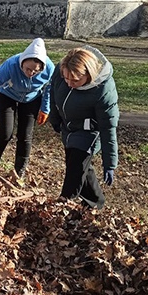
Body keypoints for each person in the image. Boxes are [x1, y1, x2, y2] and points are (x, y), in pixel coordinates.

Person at [48, 46, 119, 209]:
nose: (70, 84)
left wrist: (109, 164)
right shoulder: (61, 70)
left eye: (75, 80)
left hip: (90, 132)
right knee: (80, 167)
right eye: (66, 79)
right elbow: (53, 93)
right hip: (69, 128)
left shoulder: (103, 91)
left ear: (89, 74)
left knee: (75, 167)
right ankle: (96, 200)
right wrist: (55, 118)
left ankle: (63, 205)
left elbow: (108, 128)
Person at [0, 38, 55, 180]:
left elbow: (50, 88)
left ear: (42, 68)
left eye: (35, 71)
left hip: (31, 99)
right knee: (6, 133)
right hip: (7, 95)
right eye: (27, 69)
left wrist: (45, 108)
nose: (30, 73)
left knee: (25, 136)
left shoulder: (49, 68)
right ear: (22, 62)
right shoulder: (10, 66)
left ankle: (19, 173)